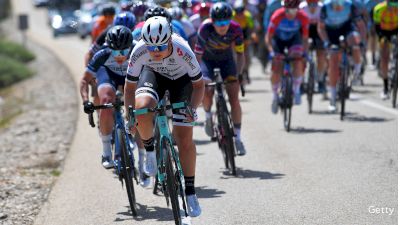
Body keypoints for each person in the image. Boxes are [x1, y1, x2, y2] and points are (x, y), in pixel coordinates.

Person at [124, 16, 204, 217]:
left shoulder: (182, 49)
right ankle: (150, 151)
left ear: (169, 40)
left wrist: (192, 110)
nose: (155, 51)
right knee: (141, 109)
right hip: (154, 76)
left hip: (181, 81)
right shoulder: (140, 50)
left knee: (184, 138)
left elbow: (199, 85)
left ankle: (191, 192)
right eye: (151, 47)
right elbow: (129, 87)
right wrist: (129, 115)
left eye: (160, 47)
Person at [195, 2, 247, 156]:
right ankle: (209, 116)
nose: (222, 26)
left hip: (226, 61)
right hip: (207, 61)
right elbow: (197, 57)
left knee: (234, 98)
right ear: (212, 21)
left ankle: (237, 137)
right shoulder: (205, 29)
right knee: (208, 89)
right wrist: (196, 77)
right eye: (219, 22)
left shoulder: (236, 29)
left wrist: (239, 74)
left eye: (225, 22)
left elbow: (240, 54)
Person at [318, 0, 366, 112]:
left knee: (355, 41)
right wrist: (326, 42)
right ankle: (333, 98)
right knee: (333, 61)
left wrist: (362, 41)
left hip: (346, 28)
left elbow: (361, 26)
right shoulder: (325, 7)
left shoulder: (350, 5)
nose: (338, 8)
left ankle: (357, 69)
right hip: (331, 32)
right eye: (335, 6)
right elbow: (320, 28)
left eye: (340, 5)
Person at [265, 0, 309, 114]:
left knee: (298, 60)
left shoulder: (303, 17)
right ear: (284, 8)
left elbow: (304, 39)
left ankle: (296, 90)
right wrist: (271, 52)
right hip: (278, 41)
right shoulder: (277, 16)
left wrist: (304, 53)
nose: (291, 13)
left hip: (294, 40)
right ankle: (275, 96)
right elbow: (268, 37)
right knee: (276, 66)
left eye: (295, 10)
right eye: (289, 10)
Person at [300, 0, 327, 93]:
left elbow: (325, 24)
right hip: (305, 31)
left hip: (318, 31)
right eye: (310, 4)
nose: (312, 6)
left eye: (314, 4)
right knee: (301, 56)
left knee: (321, 55)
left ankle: (320, 80)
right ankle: (301, 81)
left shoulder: (322, 7)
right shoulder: (302, 7)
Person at [373, 0, 398, 99]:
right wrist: (381, 37)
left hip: (396, 30)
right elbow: (377, 27)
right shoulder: (378, 9)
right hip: (384, 32)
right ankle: (385, 87)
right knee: (384, 57)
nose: (392, 8)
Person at [232, 0, 255, 83]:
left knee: (247, 54)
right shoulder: (232, 16)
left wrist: (252, 37)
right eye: (237, 12)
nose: (239, 14)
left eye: (241, 11)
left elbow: (251, 28)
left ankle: (246, 71)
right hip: (234, 34)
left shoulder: (248, 16)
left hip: (245, 33)